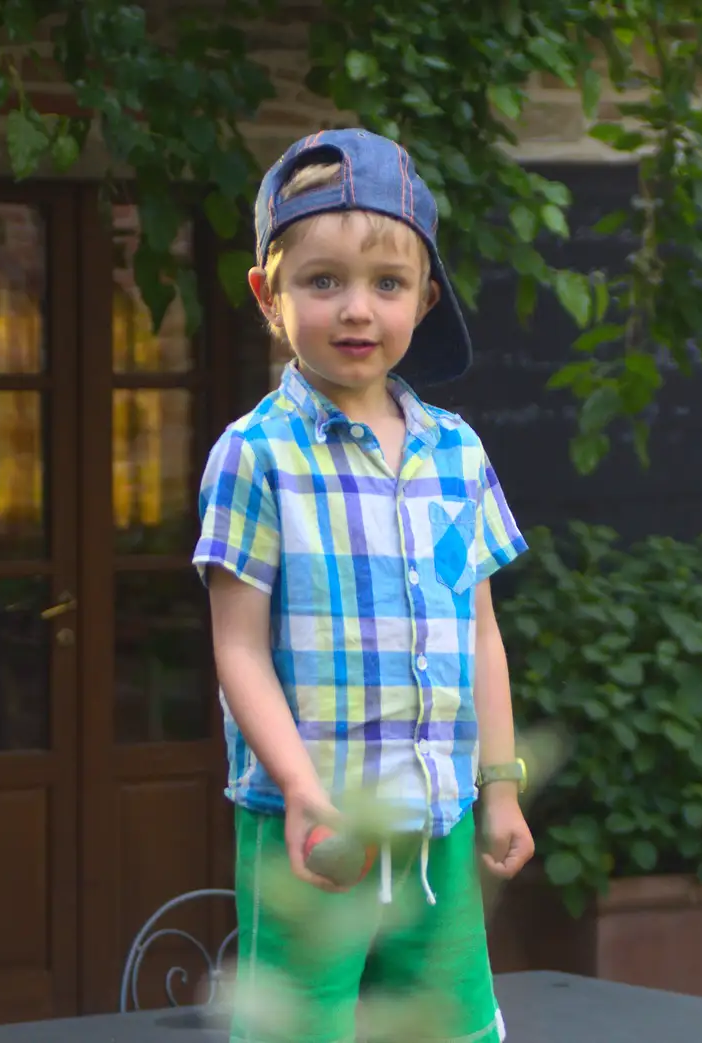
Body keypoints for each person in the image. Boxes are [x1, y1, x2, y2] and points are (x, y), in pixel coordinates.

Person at [192, 128, 535, 1043]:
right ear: (270, 294)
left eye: (386, 284)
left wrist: (499, 784)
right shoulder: (255, 454)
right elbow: (236, 645)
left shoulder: (457, 452)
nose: (357, 310)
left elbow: (481, 633)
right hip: (312, 827)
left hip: (440, 824)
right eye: (323, 281)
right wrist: (303, 790)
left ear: (424, 298)